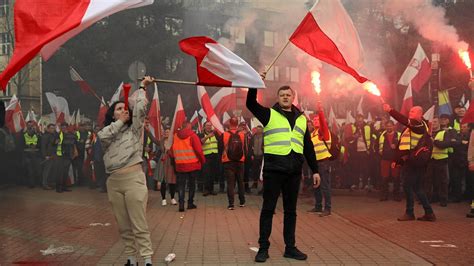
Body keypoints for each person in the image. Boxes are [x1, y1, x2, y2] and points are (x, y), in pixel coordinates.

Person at [247, 84, 320, 263]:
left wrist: (315, 170)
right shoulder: (269, 114)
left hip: (294, 171)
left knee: (291, 211)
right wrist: (254, 84)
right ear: (278, 98)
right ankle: (263, 248)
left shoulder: (302, 119)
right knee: (268, 210)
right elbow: (250, 103)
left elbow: (308, 147)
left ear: (293, 97)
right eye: (282, 95)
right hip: (274, 170)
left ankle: (290, 248)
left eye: (288, 95)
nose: (285, 97)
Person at [98, 76, 154, 266]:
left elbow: (140, 109)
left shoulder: (135, 130)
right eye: (119, 109)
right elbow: (103, 136)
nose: (124, 111)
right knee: (123, 225)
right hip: (114, 182)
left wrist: (142, 87)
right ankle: (131, 259)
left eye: (125, 108)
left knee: (139, 223)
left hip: (133, 180)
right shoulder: (107, 132)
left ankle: (147, 259)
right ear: (113, 115)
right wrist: (120, 122)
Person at [383, 104, 436, 222]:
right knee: (417, 188)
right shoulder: (415, 126)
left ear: (420, 114)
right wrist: (398, 160)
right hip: (414, 161)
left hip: (414, 162)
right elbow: (404, 145)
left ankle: (410, 212)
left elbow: (403, 120)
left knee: (408, 186)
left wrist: (390, 110)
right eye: (410, 111)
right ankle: (429, 213)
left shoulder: (418, 124)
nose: (410, 113)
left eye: (413, 112)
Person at [170, 121, 205, 212]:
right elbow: (198, 150)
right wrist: (202, 161)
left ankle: (181, 204)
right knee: (192, 184)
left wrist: (175, 159)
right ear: (189, 126)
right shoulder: (193, 136)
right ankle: (190, 203)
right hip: (192, 164)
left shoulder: (175, 136)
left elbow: (171, 151)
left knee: (181, 185)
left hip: (180, 165)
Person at [308, 103, 333, 217]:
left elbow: (323, 122)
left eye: (318, 119)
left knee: (324, 186)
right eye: (315, 120)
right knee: (316, 185)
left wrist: (320, 110)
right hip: (315, 164)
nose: (316, 121)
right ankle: (318, 206)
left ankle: (327, 208)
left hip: (323, 162)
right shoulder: (313, 134)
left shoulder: (324, 132)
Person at [219, 117, 247, 210]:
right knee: (240, 182)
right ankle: (242, 202)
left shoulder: (224, 134)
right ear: (237, 124)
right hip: (240, 161)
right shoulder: (243, 135)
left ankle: (231, 204)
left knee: (230, 183)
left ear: (229, 123)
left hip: (228, 161)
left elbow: (220, 148)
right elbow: (246, 149)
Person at [378, 120, 401, 201]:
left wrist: (396, 146)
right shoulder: (382, 135)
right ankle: (384, 195)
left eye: (390, 126)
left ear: (393, 126)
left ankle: (396, 195)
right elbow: (378, 146)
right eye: (387, 126)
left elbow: (404, 145)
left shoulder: (398, 135)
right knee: (384, 178)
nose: (389, 127)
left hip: (395, 160)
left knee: (396, 178)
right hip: (385, 159)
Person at [155, 128, 177, 206]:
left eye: (168, 132)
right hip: (163, 161)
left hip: (171, 162)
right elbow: (154, 140)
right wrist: (147, 131)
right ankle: (163, 199)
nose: (166, 133)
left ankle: (172, 198)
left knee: (172, 181)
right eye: (165, 132)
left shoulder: (174, 141)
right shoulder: (161, 141)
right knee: (163, 180)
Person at [199, 121, 219, 196]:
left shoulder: (215, 134)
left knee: (212, 173)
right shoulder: (201, 134)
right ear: (204, 127)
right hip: (206, 156)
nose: (209, 127)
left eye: (210, 125)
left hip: (214, 155)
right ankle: (206, 189)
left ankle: (211, 189)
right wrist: (208, 136)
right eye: (207, 125)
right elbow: (201, 142)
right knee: (206, 173)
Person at [21, 121, 41, 188]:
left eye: (31, 125)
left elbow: (40, 143)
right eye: (29, 125)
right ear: (27, 126)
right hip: (27, 155)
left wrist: (36, 146)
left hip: (36, 155)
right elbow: (21, 144)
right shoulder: (23, 134)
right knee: (30, 170)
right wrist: (28, 145)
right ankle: (31, 184)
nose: (30, 126)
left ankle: (37, 183)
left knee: (37, 170)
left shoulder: (37, 134)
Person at [40, 124, 56, 190]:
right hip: (48, 156)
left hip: (52, 156)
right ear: (48, 129)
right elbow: (43, 147)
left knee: (50, 171)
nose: (53, 129)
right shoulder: (45, 136)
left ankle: (48, 183)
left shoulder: (53, 135)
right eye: (51, 128)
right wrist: (45, 156)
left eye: (53, 128)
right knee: (46, 171)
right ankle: (45, 184)